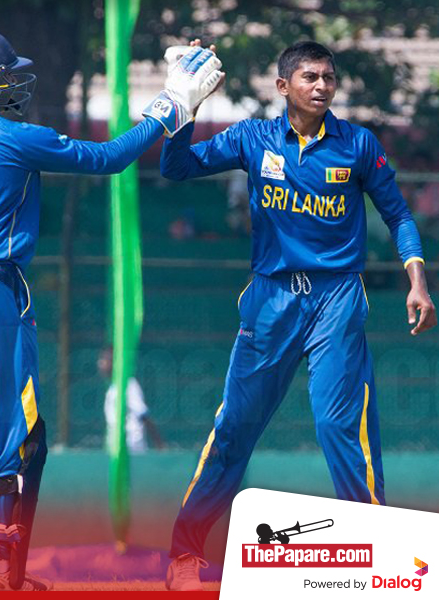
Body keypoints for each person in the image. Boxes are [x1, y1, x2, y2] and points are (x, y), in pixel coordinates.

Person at [0, 28, 223, 591]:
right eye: (4, 76)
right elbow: (109, 157)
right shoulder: (16, 137)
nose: (14, 84)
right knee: (16, 429)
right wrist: (172, 106)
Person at [159, 41, 436, 591]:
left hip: (337, 298)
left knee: (341, 427)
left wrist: (417, 281)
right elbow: (176, 166)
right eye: (310, 77)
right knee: (235, 428)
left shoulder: (357, 144)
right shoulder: (252, 138)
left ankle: (380, 554)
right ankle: (185, 555)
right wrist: (184, 107)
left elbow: (398, 214)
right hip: (271, 300)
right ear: (283, 86)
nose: (322, 86)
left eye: (329, 77)